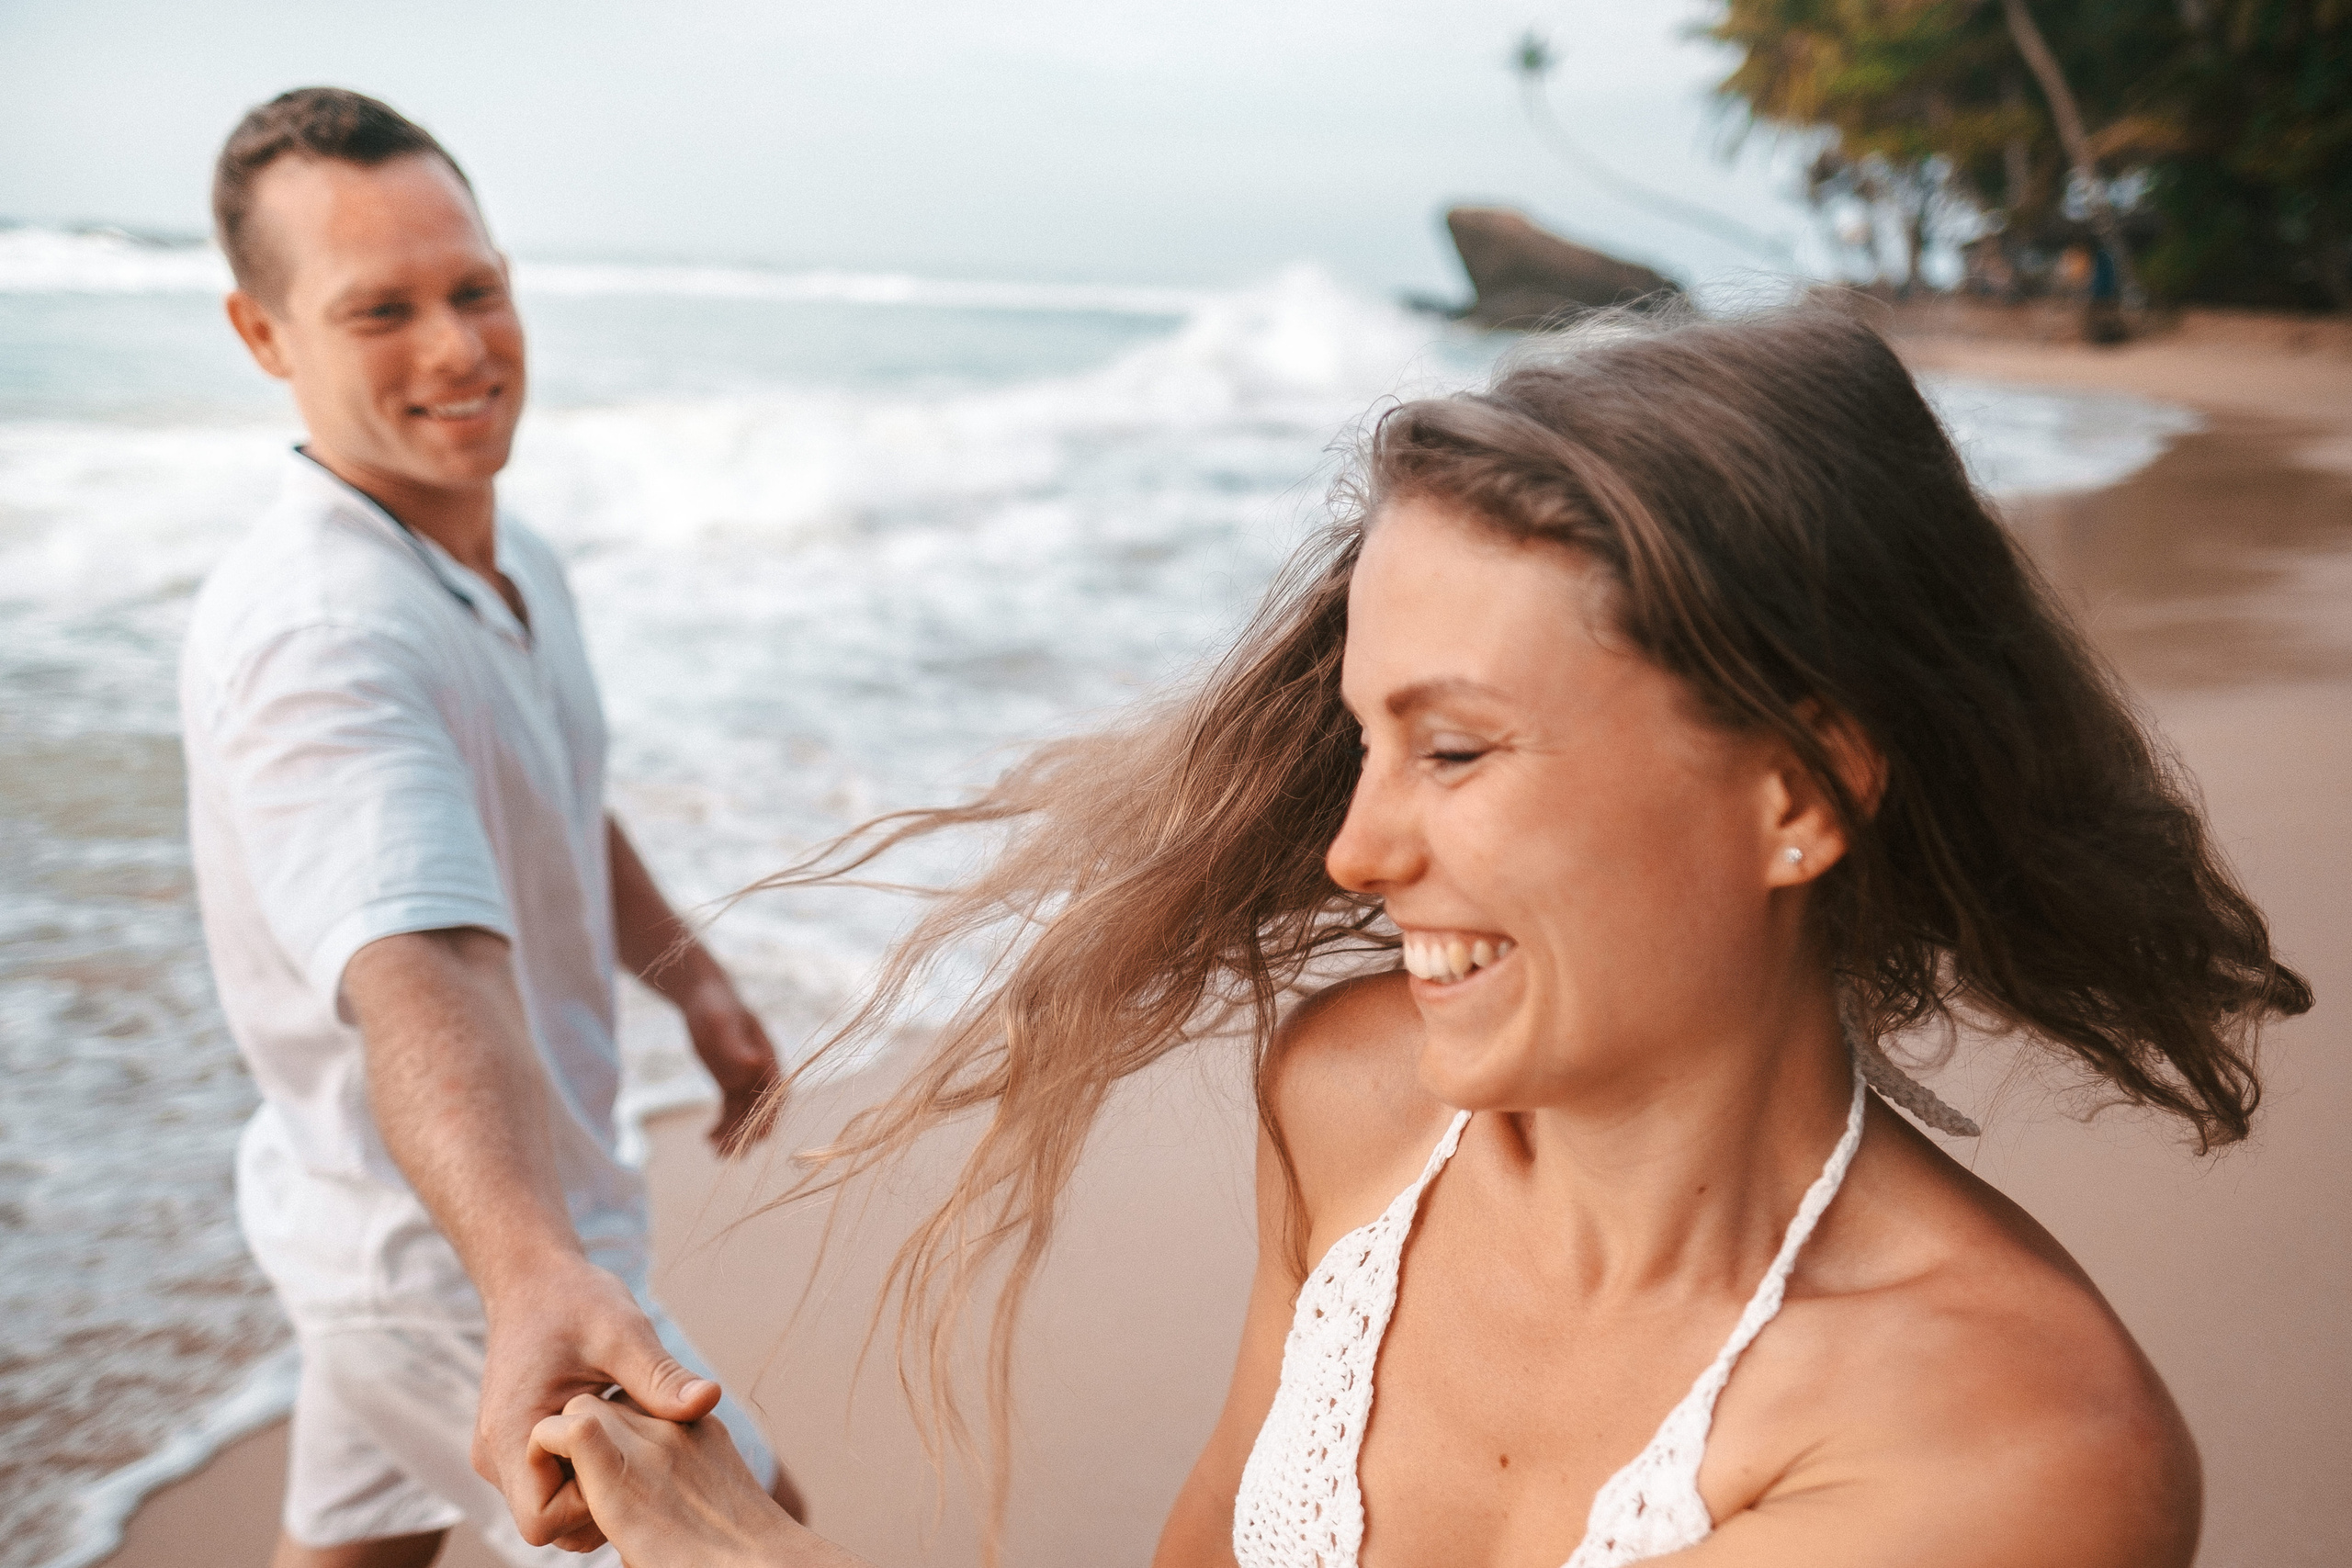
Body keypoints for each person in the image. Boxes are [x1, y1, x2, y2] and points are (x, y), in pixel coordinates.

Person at [529, 307, 2309, 1567]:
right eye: (1366, 735)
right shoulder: (1358, 1097)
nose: (1356, 843)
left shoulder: (2011, 1445)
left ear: (1796, 793)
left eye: (1452, 749)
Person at [180, 87, 803, 1567]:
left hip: (381, 1219)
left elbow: (543, 794)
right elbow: (421, 965)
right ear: (265, 337)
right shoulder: (324, 637)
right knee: (753, 1533)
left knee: (358, 1554)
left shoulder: (499, 549)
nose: (459, 348)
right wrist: (531, 1271)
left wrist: (692, 979)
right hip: (454, 1253)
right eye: (380, 310)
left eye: (478, 289)